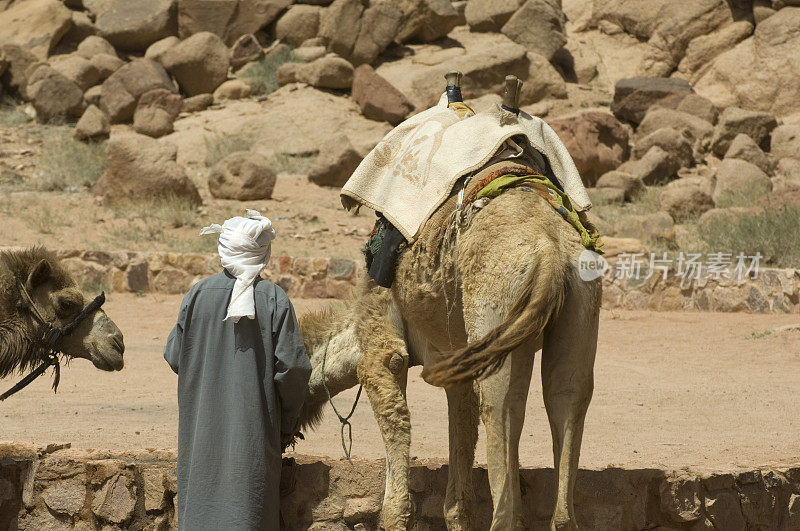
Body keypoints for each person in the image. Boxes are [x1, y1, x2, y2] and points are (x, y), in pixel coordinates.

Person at [164, 210, 311, 531]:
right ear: (262, 255)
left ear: (224, 251)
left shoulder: (197, 294)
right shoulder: (274, 299)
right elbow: (294, 369)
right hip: (255, 436)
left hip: (201, 432)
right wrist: (286, 423)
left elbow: (175, 355)